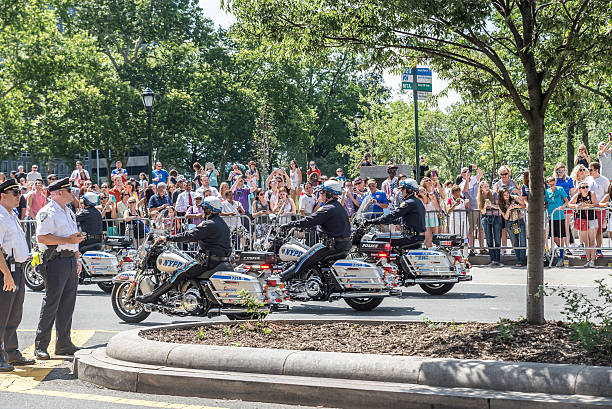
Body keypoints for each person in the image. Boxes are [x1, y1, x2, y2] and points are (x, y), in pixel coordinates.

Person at [137, 196, 232, 303]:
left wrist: (168, 238)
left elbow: (189, 235)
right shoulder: (222, 224)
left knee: (178, 272)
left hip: (207, 262)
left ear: (209, 210)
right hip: (219, 260)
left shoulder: (209, 225)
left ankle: (153, 296)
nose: (202, 212)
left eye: (203, 209)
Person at [34, 178, 84, 359]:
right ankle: (41, 345)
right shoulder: (47, 212)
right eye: (70, 190)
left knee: (67, 303)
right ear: (60, 193)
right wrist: (68, 241)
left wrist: (77, 258)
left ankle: (63, 342)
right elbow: (42, 238)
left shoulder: (68, 212)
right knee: (52, 302)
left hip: (69, 259)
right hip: (54, 261)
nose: (73, 194)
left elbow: (72, 238)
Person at [279, 181, 352, 282]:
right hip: (342, 244)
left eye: (322, 192)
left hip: (331, 246)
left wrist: (290, 225)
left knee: (303, 259)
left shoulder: (328, 209)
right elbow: (329, 225)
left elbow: (309, 220)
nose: (320, 194)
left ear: (328, 194)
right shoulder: (338, 207)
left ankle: (281, 278)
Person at [0, 179, 36, 371]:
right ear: (2, 196)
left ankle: (11, 352)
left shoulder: (11, 215)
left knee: (14, 314)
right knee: (2, 314)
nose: (18, 197)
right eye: (15, 194)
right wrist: (6, 274)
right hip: (6, 270)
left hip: (18, 269)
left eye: (19, 194)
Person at [365, 179, 425, 249]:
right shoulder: (416, 201)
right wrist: (388, 221)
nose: (401, 192)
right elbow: (402, 219)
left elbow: (393, 215)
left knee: (377, 240)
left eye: (402, 189)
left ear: (409, 190)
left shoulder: (408, 203)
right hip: (416, 237)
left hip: (411, 238)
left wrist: (372, 221)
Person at [569, 181, 598, 267]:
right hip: (582, 220)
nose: (585, 189)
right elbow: (570, 204)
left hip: (592, 218)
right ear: (579, 189)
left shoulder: (591, 193)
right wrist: (576, 206)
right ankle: (588, 260)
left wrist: (586, 205)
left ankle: (592, 260)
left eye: (587, 187)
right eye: (583, 187)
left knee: (592, 240)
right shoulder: (578, 195)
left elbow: (596, 204)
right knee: (585, 241)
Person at [585, 161, 610, 258]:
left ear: (597, 170)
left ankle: (598, 249)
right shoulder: (588, 179)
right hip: (588, 209)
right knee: (588, 229)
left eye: (590, 170)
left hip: (599, 209)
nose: (589, 171)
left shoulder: (604, 180)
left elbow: (608, 193)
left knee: (598, 230)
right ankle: (589, 249)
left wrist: (599, 204)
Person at [459, 165, 485, 254]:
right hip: (471, 210)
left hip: (479, 208)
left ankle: (482, 248)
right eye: (464, 171)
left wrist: (476, 168)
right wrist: (467, 179)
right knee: (471, 230)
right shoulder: (461, 184)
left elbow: (481, 174)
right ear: (461, 174)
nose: (466, 172)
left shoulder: (474, 179)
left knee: (481, 230)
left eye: (467, 170)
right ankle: (472, 248)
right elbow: (465, 189)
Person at [498, 187, 527, 266]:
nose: (507, 196)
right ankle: (519, 260)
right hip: (510, 223)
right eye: (504, 195)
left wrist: (518, 206)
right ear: (501, 196)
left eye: (507, 193)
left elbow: (524, 205)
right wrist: (509, 209)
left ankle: (522, 260)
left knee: (523, 241)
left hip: (519, 220)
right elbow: (505, 217)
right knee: (515, 242)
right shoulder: (500, 204)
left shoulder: (515, 198)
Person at [545, 176, 569, 266]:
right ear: (548, 184)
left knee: (561, 236)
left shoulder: (560, 189)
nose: (552, 185)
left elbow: (566, 201)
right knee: (554, 237)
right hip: (551, 217)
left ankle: (561, 256)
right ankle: (560, 249)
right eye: (550, 184)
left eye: (553, 183)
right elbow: (545, 202)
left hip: (560, 216)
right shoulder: (546, 192)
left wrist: (563, 206)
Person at [477, 181, 503, 266]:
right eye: (485, 187)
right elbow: (483, 211)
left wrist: (491, 204)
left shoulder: (494, 194)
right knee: (489, 239)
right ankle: (492, 260)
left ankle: (497, 260)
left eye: (488, 186)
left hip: (496, 217)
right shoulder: (479, 197)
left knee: (497, 239)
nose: (487, 188)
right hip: (486, 217)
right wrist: (485, 205)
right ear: (481, 188)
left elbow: (499, 207)